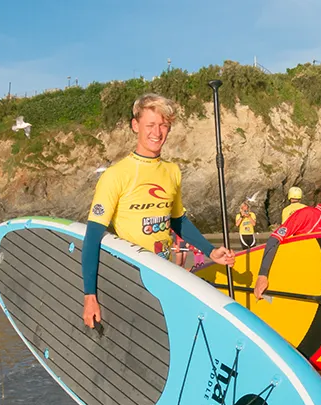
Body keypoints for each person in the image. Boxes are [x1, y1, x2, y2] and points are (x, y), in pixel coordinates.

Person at [81, 93, 234, 328]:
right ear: (135, 126)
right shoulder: (116, 175)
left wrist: (210, 251)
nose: (157, 132)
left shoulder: (172, 172)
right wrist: (89, 295)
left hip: (165, 272)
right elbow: (92, 236)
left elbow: (178, 220)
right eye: (150, 125)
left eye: (163, 125)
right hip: (131, 276)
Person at [254, 170, 321, 395]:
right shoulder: (308, 216)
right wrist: (263, 274)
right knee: (298, 368)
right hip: (295, 306)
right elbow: (274, 239)